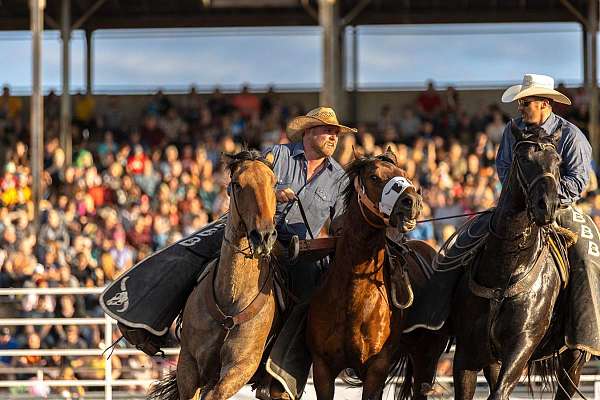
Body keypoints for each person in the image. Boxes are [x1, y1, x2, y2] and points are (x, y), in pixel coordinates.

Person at [496, 73, 600, 355]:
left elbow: (578, 181)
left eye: (525, 102)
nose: (520, 107)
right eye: (520, 102)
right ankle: (438, 320)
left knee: (586, 255)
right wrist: (522, 197)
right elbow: (504, 169)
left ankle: (586, 333)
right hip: (516, 207)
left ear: (545, 103)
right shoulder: (511, 130)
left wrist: (545, 200)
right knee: (465, 243)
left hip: (559, 209)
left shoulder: (572, 135)